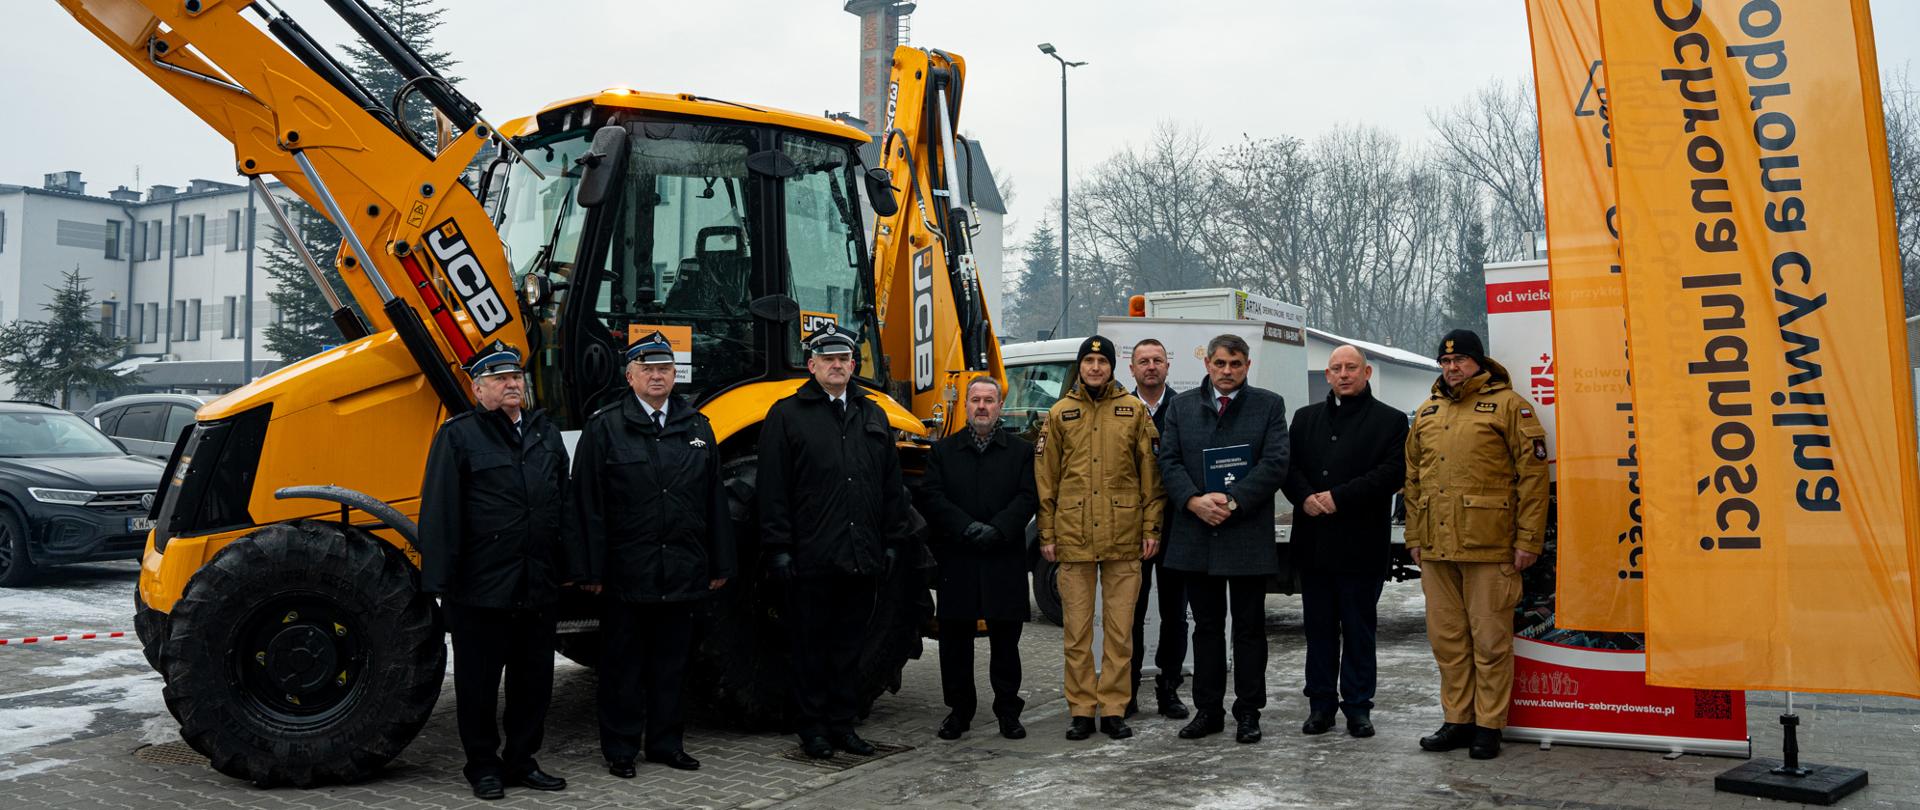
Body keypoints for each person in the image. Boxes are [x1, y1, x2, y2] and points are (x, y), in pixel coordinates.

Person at [569, 332, 735, 777]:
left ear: (674, 375)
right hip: (627, 571)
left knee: (672, 665)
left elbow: (713, 500)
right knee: (623, 666)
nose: (657, 376)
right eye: (647, 369)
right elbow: (587, 503)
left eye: (664, 369)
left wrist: (720, 563)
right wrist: (589, 569)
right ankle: (621, 750)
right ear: (630, 375)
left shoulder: (697, 426)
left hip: (682, 569)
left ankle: (666, 743)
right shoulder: (605, 427)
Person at [418, 342, 573, 800]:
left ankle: (522, 761)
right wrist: (440, 584)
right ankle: (483, 765)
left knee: (534, 684)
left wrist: (568, 568)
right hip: (480, 589)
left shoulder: (545, 434)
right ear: (477, 387)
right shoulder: (459, 436)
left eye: (517, 378)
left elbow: (562, 505)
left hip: (536, 584)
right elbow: (441, 513)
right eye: (500, 379)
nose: (512, 385)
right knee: (479, 686)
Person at [758, 324, 914, 759]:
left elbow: (889, 485)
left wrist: (890, 541)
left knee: (850, 648)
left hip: (861, 555)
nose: (837, 365)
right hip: (811, 558)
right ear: (812, 365)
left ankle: (843, 726)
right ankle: (813, 731)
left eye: (844, 359)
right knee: (811, 648)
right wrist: (779, 548)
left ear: (852, 365)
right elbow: (773, 490)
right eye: (828, 359)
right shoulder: (787, 415)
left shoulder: (872, 414)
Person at [1405, 329, 1549, 761]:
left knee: (1490, 642)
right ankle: (1457, 720)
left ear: (1478, 363)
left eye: (1461, 361)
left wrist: (1528, 540)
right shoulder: (1427, 411)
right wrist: (1414, 537)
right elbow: (1411, 480)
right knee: (1447, 641)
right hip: (1436, 548)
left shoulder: (1509, 406)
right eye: (1445, 362)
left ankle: (1488, 726)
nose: (1452, 368)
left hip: (1491, 547)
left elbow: (1534, 478)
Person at [1159, 333, 1289, 744]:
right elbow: (1169, 461)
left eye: (1235, 364)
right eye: (1220, 364)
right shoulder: (1180, 407)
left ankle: (1248, 712)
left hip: (1245, 533)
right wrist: (1194, 501)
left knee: (1250, 629)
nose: (1227, 371)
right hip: (1196, 534)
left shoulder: (1269, 404)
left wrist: (1232, 502)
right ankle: (1208, 711)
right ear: (1207, 365)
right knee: (1207, 629)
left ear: (1247, 366)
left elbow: (1275, 463)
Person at [1036, 335, 1165, 742]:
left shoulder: (1133, 412)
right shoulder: (1060, 413)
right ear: (1081, 366)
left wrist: (1151, 528)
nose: (1095, 367)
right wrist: (1047, 533)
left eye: (1102, 361)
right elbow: (1045, 480)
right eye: (1088, 360)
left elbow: (1152, 477)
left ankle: (1112, 708)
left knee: (1119, 631)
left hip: (1124, 537)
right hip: (1073, 537)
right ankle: (1080, 708)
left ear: (1112, 367)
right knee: (1076, 633)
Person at [1283, 345, 1408, 739]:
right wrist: (1304, 497)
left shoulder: (1389, 421)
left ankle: (1358, 707)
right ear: (1327, 376)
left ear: (1367, 372)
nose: (1343, 374)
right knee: (1318, 631)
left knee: (1358, 630)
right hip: (1314, 544)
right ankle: (1320, 706)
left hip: (1361, 545)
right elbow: (1288, 467)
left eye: (1351, 367)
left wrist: (1338, 497)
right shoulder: (1305, 419)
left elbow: (1391, 473)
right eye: (1335, 368)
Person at [916, 375, 1039, 742]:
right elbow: (933, 497)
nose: (982, 406)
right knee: (955, 642)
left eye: (989, 400)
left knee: (1005, 642)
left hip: (1003, 558)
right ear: (966, 406)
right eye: (976, 400)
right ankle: (959, 712)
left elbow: (1027, 497)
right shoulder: (943, 451)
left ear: (1000, 406)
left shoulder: (1019, 452)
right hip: (959, 558)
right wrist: (967, 528)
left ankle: (1007, 712)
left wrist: (998, 529)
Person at [1125, 339, 1190, 720]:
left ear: (1168, 366)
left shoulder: (1186, 408)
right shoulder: (1121, 410)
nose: (1151, 367)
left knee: (1174, 614)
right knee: (1130, 614)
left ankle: (1169, 689)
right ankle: (1127, 689)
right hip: (1131, 528)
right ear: (1131, 369)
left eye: (1157, 361)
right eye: (1143, 361)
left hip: (1178, 527)